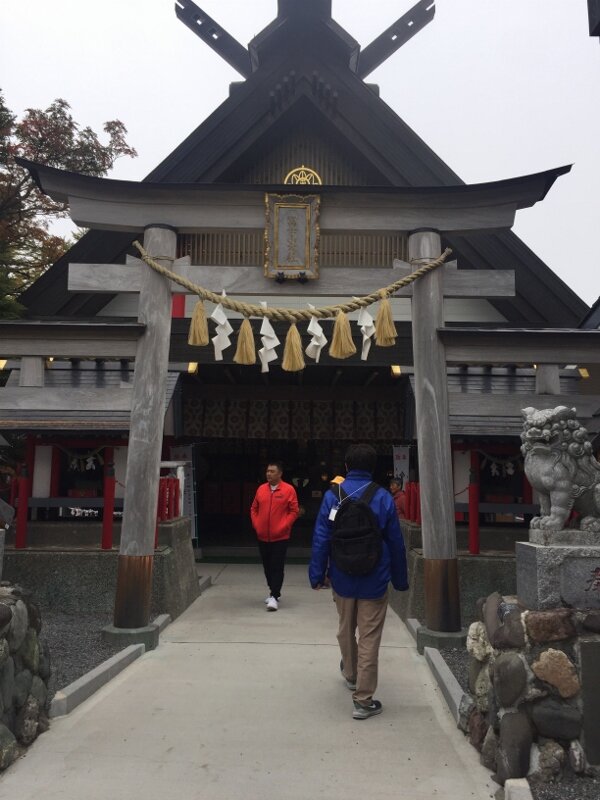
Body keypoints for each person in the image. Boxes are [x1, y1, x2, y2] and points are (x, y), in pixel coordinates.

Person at [309, 444, 408, 720]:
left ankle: (351, 673)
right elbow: (395, 543)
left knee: (345, 628)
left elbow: (321, 538)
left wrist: (317, 575)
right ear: (373, 468)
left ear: (347, 466)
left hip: (341, 575)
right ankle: (363, 699)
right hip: (374, 578)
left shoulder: (333, 496)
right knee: (369, 636)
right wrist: (400, 580)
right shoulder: (383, 497)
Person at [250, 461, 299, 611]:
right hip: (263, 535)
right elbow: (254, 508)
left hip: (280, 537)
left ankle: (275, 595)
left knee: (277, 566)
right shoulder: (261, 489)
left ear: (280, 474)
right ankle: (273, 591)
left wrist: (284, 526)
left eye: (272, 471)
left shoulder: (288, 490)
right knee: (267, 566)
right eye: (267, 471)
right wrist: (257, 525)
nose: (268, 474)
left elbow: (294, 511)